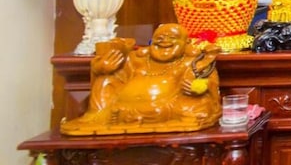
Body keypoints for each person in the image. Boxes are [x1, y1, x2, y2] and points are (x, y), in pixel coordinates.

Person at [61, 23, 221, 135]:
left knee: (194, 107)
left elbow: (209, 84)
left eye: (172, 37)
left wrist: (198, 87)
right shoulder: (137, 59)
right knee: (105, 79)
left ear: (186, 43)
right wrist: (100, 68)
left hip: (164, 108)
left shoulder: (192, 62)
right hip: (120, 107)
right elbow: (115, 61)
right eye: (159, 37)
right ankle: (95, 116)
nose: (164, 40)